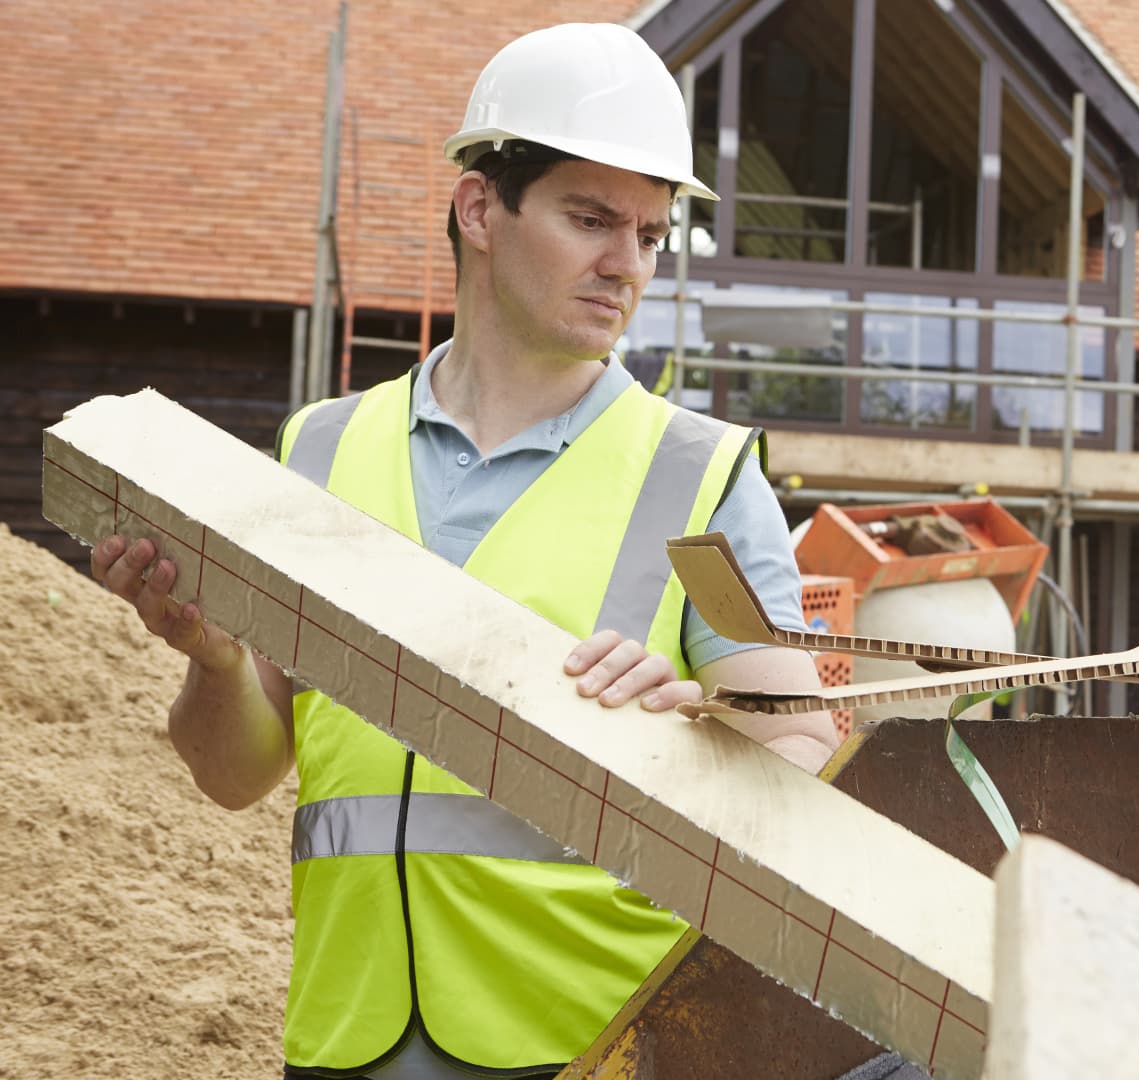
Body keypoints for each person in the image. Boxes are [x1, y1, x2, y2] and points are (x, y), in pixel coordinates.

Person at [87, 23, 837, 1079]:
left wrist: (688, 726)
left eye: (652, 234)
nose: (627, 264)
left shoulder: (700, 477)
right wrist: (213, 659)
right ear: (481, 208)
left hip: (595, 1044)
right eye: (590, 219)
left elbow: (806, 758)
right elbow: (233, 773)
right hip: (347, 1035)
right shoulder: (321, 446)